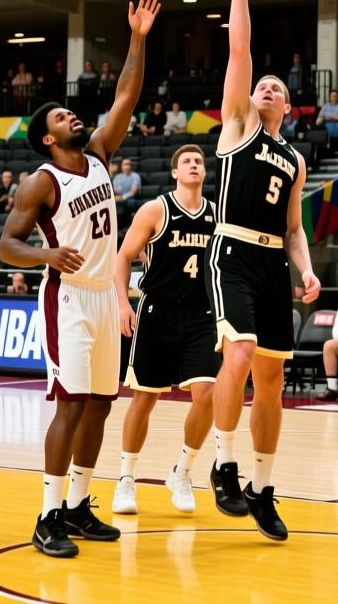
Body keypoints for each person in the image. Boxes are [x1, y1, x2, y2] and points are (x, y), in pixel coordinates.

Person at [0, 0, 160, 558]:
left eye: (70, 112)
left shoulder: (96, 155)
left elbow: (126, 96)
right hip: (65, 297)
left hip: (101, 296)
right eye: (62, 116)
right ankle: (46, 516)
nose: (73, 117)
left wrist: (137, 38)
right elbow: (7, 245)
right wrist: (46, 257)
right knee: (70, 404)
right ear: (47, 136)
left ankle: (78, 505)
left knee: (99, 404)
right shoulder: (41, 180)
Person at [193, 0, 322, 543]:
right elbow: (239, 49)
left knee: (271, 383)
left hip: (273, 262)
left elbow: (295, 229)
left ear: (289, 108)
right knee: (239, 353)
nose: (266, 87)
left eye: (278, 88)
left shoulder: (294, 160)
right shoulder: (238, 125)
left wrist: (309, 268)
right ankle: (223, 464)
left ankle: (264, 490)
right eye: (261, 84)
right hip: (233, 253)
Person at [112, 144, 218, 515]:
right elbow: (123, 256)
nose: (194, 165)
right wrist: (124, 303)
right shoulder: (156, 209)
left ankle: (183, 472)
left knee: (208, 394)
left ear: (205, 173)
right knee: (145, 398)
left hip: (203, 314)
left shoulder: (216, 215)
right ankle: (126, 479)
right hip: (157, 311)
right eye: (187, 162)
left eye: (199, 162)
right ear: (174, 172)